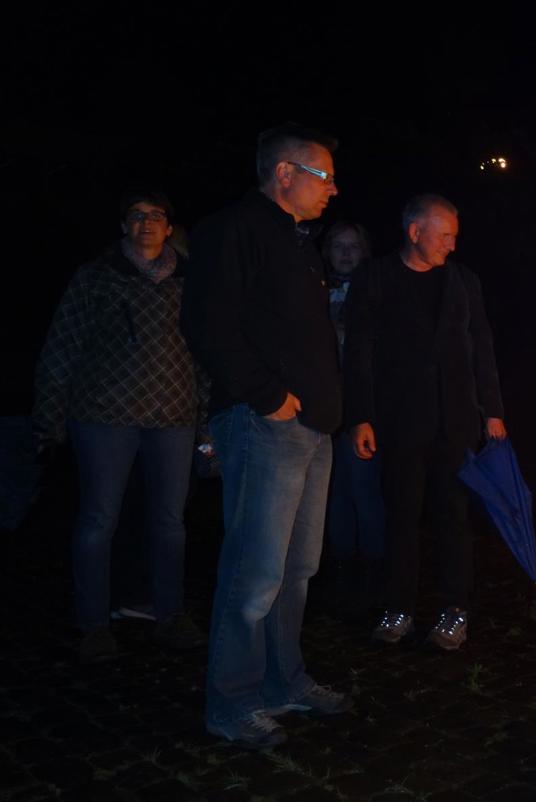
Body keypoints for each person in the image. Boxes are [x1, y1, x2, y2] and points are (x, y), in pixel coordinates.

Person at [181, 124, 352, 749]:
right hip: (265, 425)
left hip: (312, 430)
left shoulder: (297, 242)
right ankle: (232, 702)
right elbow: (206, 323)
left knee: (297, 568)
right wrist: (270, 397)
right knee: (254, 571)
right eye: (324, 175)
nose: (333, 189)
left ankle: (285, 682)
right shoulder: (233, 230)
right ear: (285, 173)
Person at [33, 189, 205, 663]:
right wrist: (49, 420)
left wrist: (206, 426)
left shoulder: (189, 283)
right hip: (103, 418)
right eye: (136, 215)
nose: (146, 222)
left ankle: (169, 613)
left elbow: (203, 357)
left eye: (156, 215)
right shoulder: (95, 278)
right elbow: (62, 347)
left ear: (169, 227)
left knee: (170, 523)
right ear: (123, 226)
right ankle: (93, 622)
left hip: (172, 418)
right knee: (97, 520)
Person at [343, 194, 506, 650]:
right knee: (401, 517)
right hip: (398, 423)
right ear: (415, 232)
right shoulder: (375, 278)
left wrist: (492, 411)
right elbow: (358, 352)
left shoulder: (462, 281)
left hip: (453, 423)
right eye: (444, 235)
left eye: (454, 236)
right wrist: (360, 417)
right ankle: (399, 607)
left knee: (454, 517)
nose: (451, 245)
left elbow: (482, 347)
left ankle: (455, 610)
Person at [320, 221, 385, 611]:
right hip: (325, 405)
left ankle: (375, 569)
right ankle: (341, 566)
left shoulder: (376, 291)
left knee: (364, 487)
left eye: (353, 247)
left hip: (363, 406)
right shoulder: (313, 290)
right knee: (334, 490)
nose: (346, 254)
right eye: (338, 246)